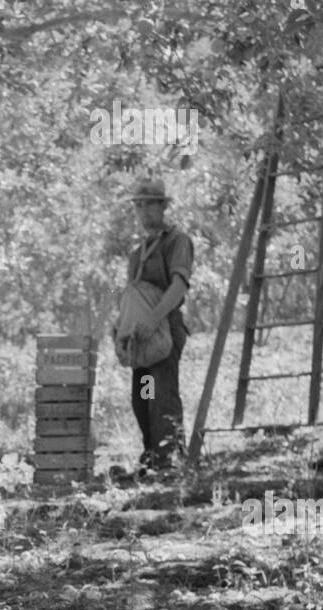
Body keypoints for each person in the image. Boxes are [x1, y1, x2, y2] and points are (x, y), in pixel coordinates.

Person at [118, 177, 194, 477]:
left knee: (163, 393)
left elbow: (179, 286)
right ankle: (152, 457)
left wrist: (153, 319)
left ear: (163, 206)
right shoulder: (138, 254)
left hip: (164, 333)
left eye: (150, 204)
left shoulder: (177, 241)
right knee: (144, 395)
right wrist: (121, 329)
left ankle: (170, 460)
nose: (144, 211)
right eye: (138, 205)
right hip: (142, 340)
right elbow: (131, 296)